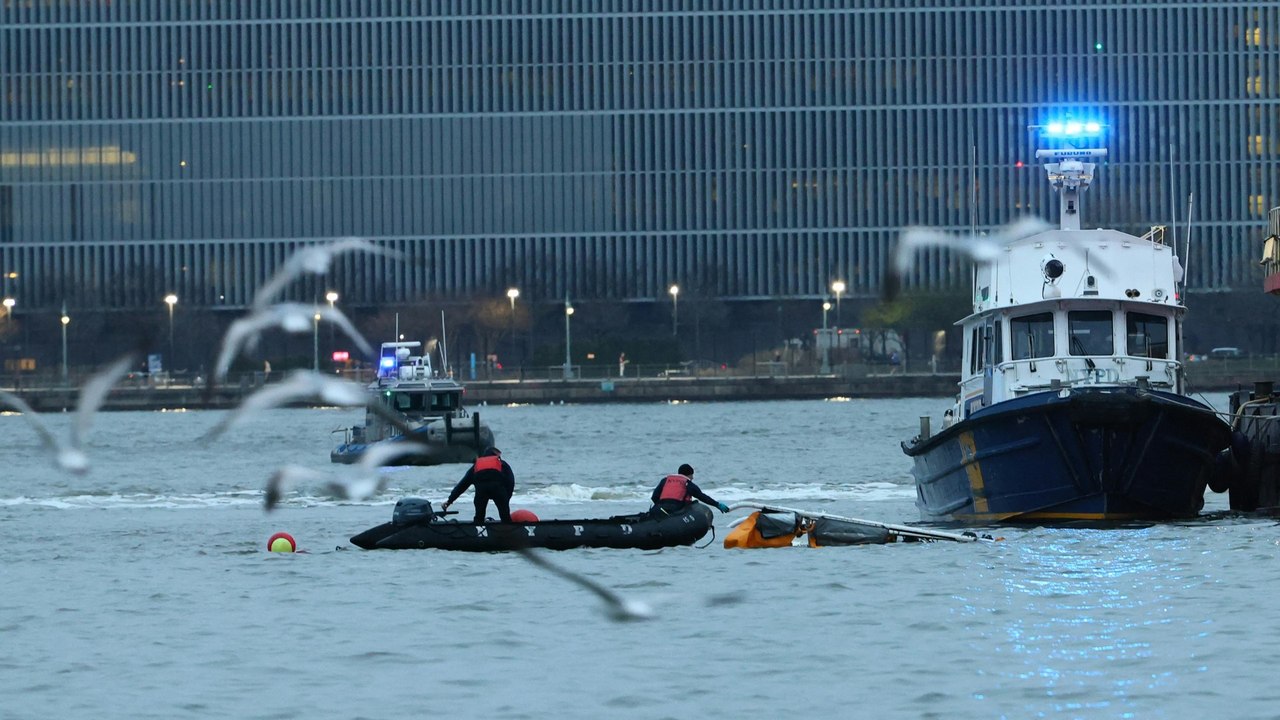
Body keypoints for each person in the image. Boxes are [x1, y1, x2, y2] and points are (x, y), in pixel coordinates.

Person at [442, 446, 515, 523]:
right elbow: (510, 481)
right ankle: (508, 528)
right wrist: (507, 498)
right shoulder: (502, 464)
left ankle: (477, 527)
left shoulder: (477, 465)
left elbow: (462, 485)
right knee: (505, 516)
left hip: (481, 491)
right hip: (498, 490)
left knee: (479, 516)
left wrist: (450, 501)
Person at [651, 463, 729, 516]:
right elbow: (702, 497)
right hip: (676, 509)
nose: (693, 478)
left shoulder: (665, 480)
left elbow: (654, 497)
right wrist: (717, 504)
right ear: (689, 475)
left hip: (659, 508)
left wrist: (662, 505)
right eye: (692, 475)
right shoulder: (688, 483)